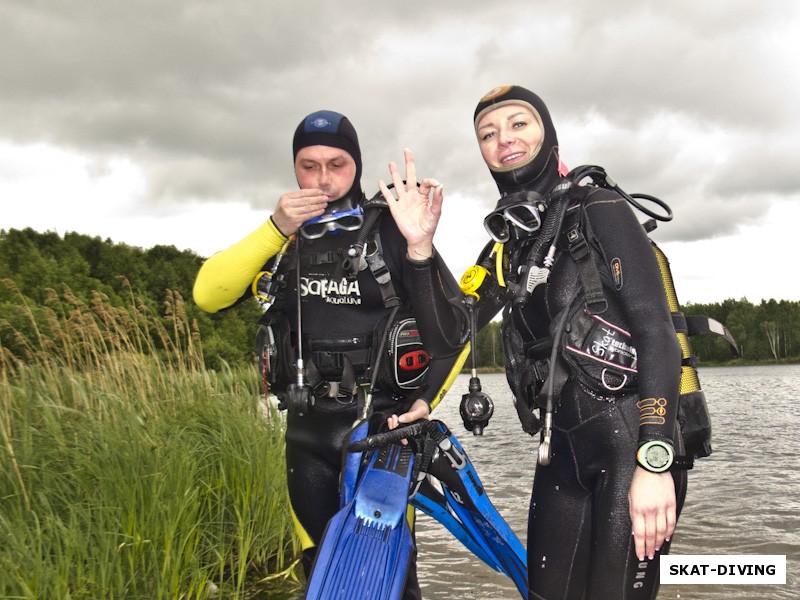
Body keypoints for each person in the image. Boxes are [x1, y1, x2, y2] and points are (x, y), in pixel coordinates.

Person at [410, 85, 689, 599]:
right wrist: (420, 248)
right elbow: (453, 329)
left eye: (519, 123)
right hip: (560, 448)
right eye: (487, 134)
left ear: (547, 131)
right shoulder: (511, 243)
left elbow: (656, 335)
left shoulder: (598, 208)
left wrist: (656, 461)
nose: (504, 140)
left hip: (633, 442)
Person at [192, 110, 463, 599]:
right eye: (308, 165)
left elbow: (454, 332)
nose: (322, 178)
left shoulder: (392, 229)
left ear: (355, 166)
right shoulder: (284, 241)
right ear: (294, 167)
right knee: (321, 577)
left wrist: (424, 404)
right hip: (306, 438)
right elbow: (208, 294)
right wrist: (276, 225)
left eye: (336, 164)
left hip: (380, 438)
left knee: (390, 580)